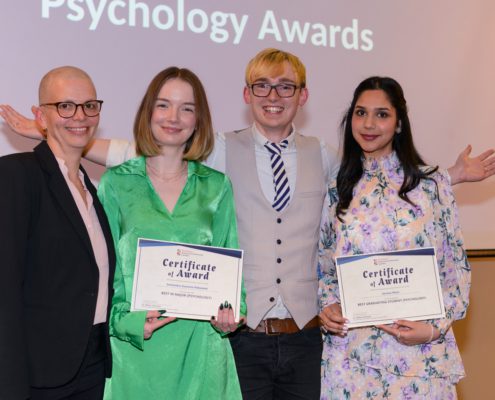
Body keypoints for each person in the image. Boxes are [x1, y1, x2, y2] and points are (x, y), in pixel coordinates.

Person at [1, 49, 493, 399]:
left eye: (285, 87)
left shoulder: (322, 155)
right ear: (246, 93)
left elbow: (373, 189)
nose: (272, 96)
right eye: (262, 86)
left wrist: (448, 177)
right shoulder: (217, 150)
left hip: (306, 336)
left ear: (302, 95)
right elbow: (150, 149)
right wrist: (67, 137)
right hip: (241, 339)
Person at [97, 66, 245, 400]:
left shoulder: (217, 187)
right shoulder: (116, 184)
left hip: (202, 350)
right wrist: (126, 324)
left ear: (198, 120)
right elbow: (102, 279)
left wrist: (231, 314)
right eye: (163, 105)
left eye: (187, 108)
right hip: (135, 354)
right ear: (148, 112)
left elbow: (231, 272)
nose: (173, 116)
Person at [318, 76, 471, 399]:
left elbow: (454, 266)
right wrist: (328, 304)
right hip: (351, 358)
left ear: (399, 123)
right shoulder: (337, 189)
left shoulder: (432, 186)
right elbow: (326, 265)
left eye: (382, 114)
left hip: (419, 355)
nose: (369, 124)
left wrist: (434, 329)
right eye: (360, 113)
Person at [0, 66, 116, 399]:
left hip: (92, 366)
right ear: (41, 116)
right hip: (38, 376)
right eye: (65, 106)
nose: (80, 116)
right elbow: (4, 291)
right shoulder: (16, 176)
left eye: (90, 106)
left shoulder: (91, 187)